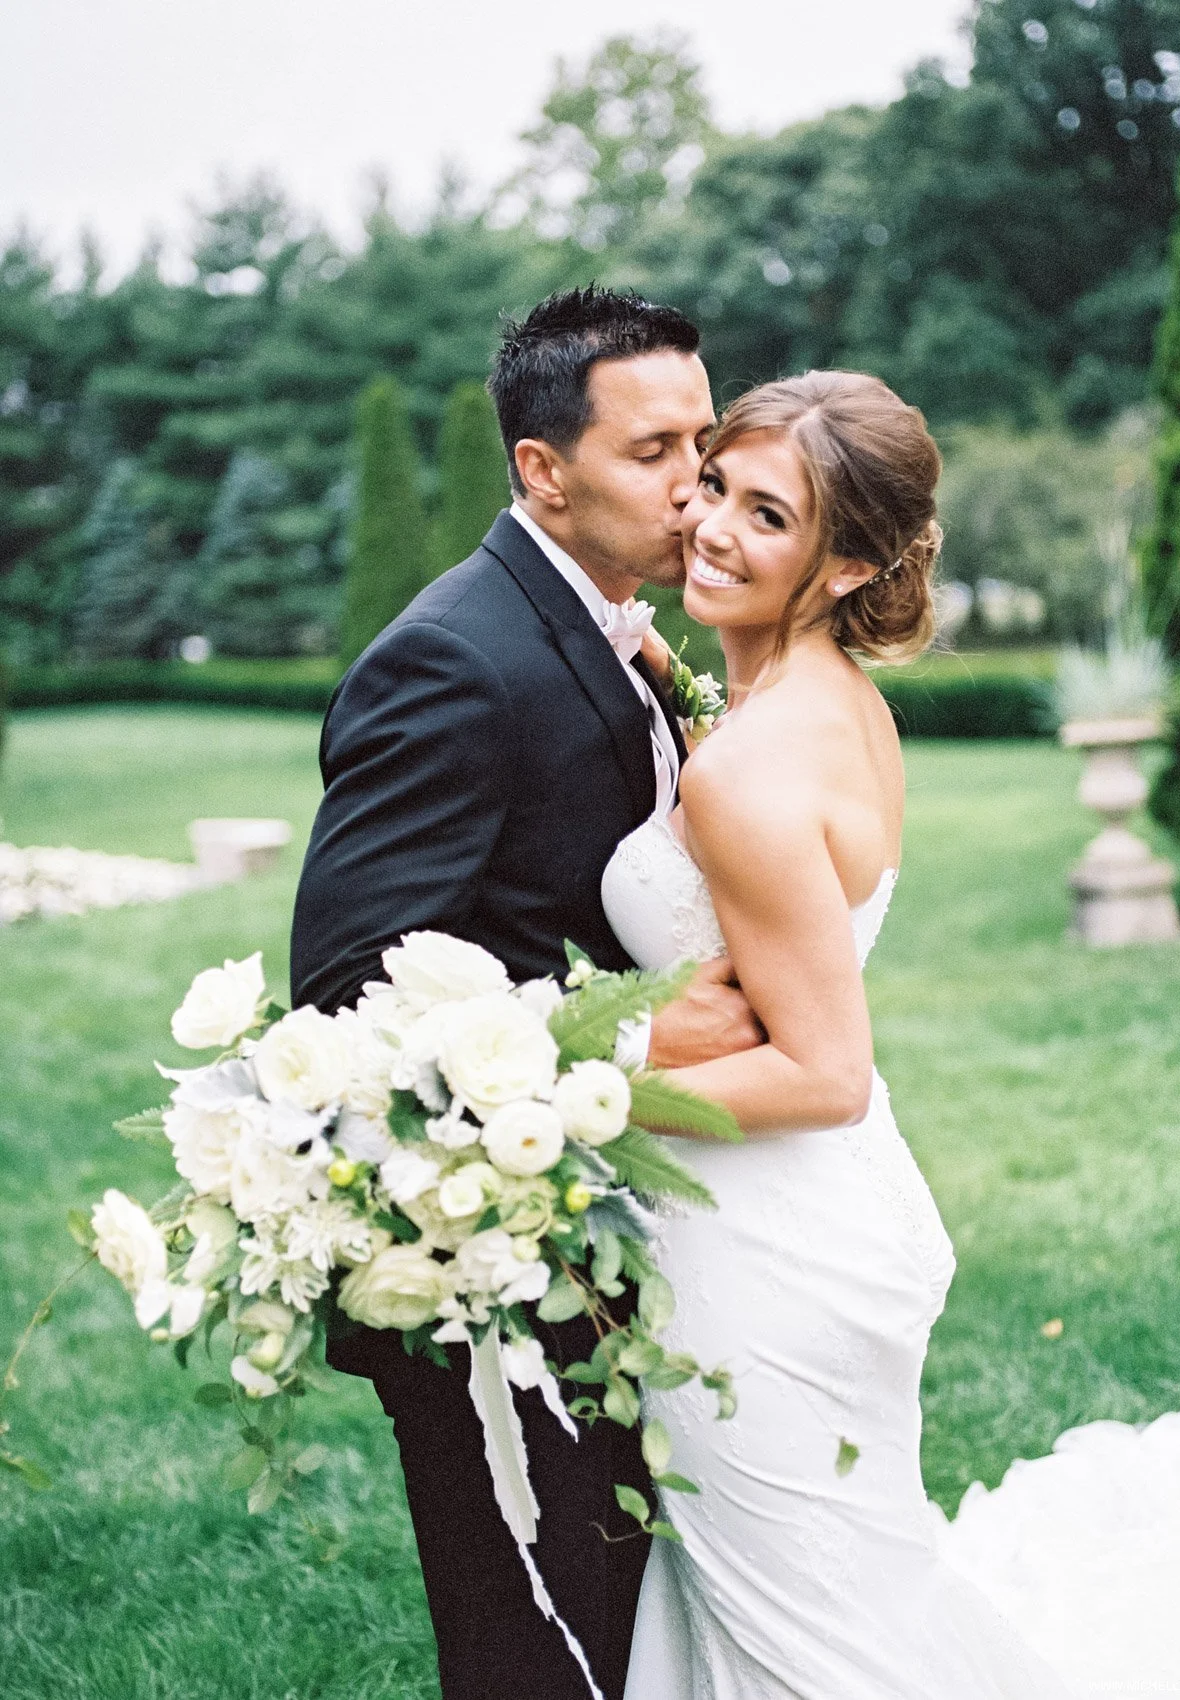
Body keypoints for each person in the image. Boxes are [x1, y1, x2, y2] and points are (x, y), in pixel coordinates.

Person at [290, 287, 762, 1700]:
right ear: (542, 470)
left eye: (703, 441)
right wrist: (638, 1030)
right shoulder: (452, 656)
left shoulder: (617, 631)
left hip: (603, 1224)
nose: (696, 482)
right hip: (484, 1268)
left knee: (626, 1624)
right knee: (536, 1649)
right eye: (653, 452)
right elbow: (352, 982)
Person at [604, 370, 1075, 1696]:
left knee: (805, 1639)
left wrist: (580, 1087)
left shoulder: (747, 769)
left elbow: (824, 1072)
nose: (709, 526)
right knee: (829, 1598)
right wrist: (673, 678)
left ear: (852, 562)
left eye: (767, 515)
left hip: (758, 1255)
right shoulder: (828, 702)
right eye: (714, 485)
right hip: (830, 1215)